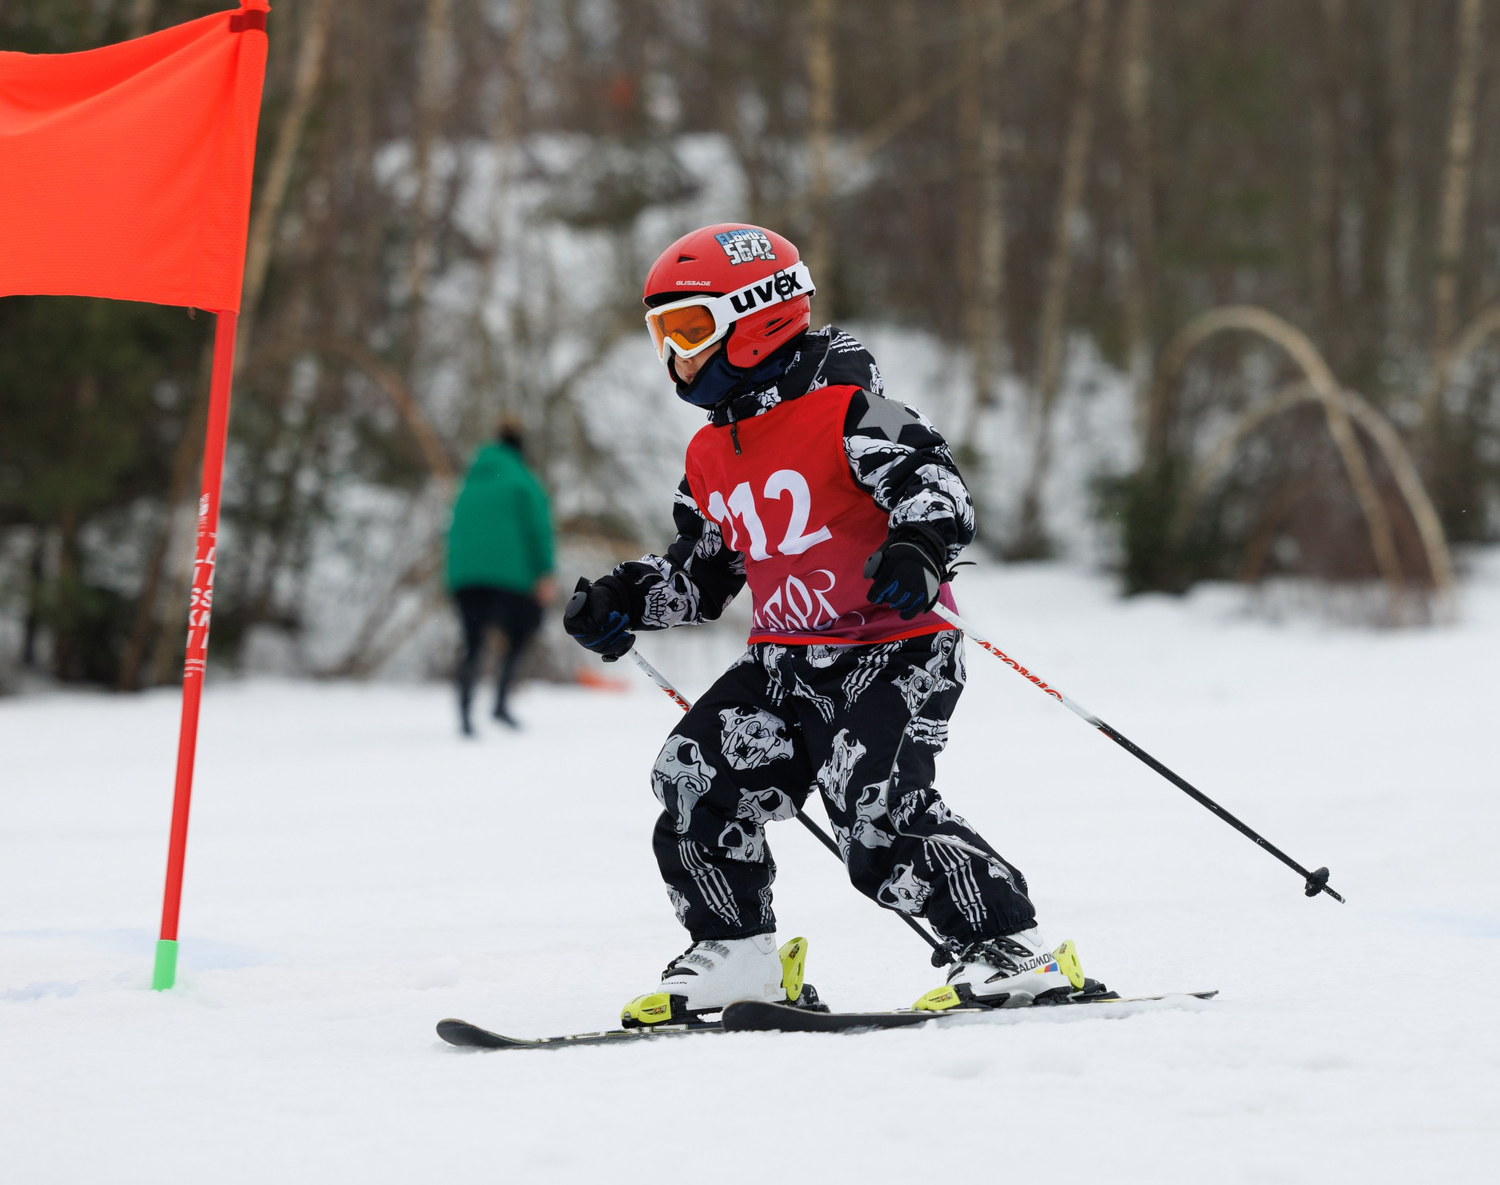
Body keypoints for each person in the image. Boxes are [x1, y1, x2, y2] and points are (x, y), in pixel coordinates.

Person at [563, 221, 1095, 1025]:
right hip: (785, 662)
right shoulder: (711, 454)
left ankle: (1007, 951)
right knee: (692, 776)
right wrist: (626, 601)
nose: (677, 354)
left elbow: (936, 487)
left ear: (760, 317)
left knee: (872, 805)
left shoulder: (850, 411)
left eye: (691, 329)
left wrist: (918, 548)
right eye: (664, 334)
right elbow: (705, 575)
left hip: (896, 650)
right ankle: (738, 954)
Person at [444, 416, 555, 736]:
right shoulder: (523, 480)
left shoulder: (469, 482)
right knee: (521, 632)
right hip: (511, 579)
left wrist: (453, 576)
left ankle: (465, 714)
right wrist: (544, 572)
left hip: (466, 578)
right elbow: (538, 529)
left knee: (472, 643)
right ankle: (500, 704)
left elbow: (453, 532)